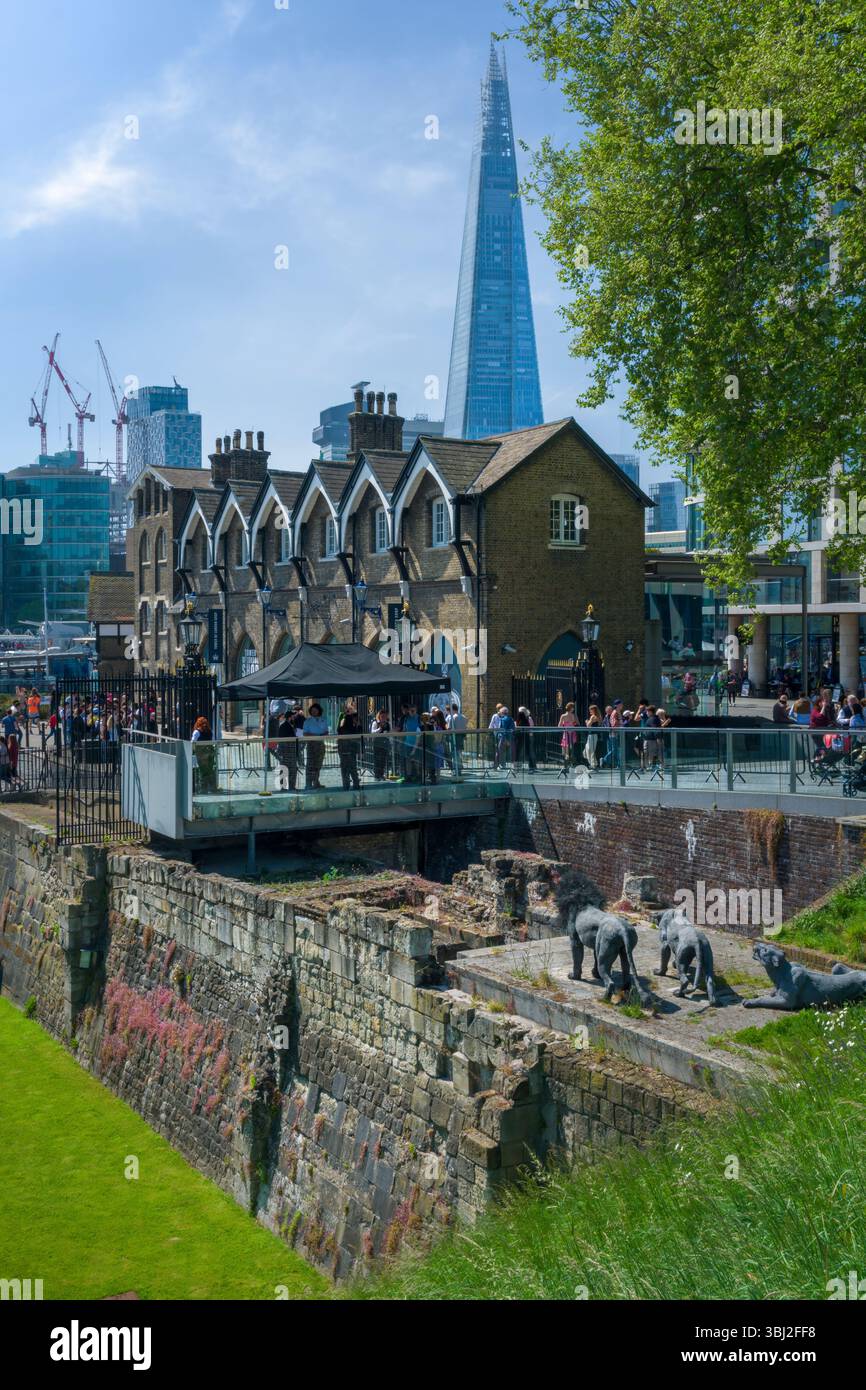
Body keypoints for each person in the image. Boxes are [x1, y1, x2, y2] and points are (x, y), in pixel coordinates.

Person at [337, 699, 362, 790]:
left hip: (350, 746)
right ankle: (350, 784)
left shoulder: (356, 718)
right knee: (348, 766)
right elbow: (340, 730)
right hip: (345, 746)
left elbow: (359, 731)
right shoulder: (344, 717)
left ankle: (351, 784)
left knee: (350, 766)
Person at [303, 702, 329, 789]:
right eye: (312, 710)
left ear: (319, 711)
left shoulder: (323, 720)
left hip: (320, 744)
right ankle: (308, 783)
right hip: (311, 744)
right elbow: (305, 734)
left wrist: (319, 736)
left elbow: (326, 732)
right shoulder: (307, 721)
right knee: (310, 764)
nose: (314, 712)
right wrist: (317, 736)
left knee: (318, 764)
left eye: (315, 710)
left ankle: (316, 782)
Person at [191, 716, 218, 794]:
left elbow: (192, 743)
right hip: (210, 753)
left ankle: (203, 789)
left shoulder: (196, 732)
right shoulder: (210, 731)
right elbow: (212, 742)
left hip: (201, 754)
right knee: (210, 770)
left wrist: (193, 752)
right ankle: (213, 788)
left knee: (202, 771)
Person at [369, 708, 391, 782]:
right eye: (382, 716)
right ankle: (377, 775)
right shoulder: (375, 723)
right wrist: (380, 729)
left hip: (385, 743)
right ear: (379, 716)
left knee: (383, 760)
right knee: (377, 760)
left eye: (385, 716)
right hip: (377, 744)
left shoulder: (388, 724)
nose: (384, 718)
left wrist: (388, 735)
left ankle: (381, 774)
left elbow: (390, 733)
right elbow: (372, 733)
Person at [447, 702, 467, 777]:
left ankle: (456, 770)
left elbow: (449, 728)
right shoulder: (464, 717)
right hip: (461, 737)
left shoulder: (453, 717)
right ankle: (459, 769)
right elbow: (465, 728)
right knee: (459, 753)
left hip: (454, 737)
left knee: (454, 754)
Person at [558, 701, 579, 768]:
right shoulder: (573, 715)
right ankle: (571, 764)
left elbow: (559, 726)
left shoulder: (563, 716)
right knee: (571, 749)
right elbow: (577, 724)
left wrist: (564, 725)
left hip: (566, 733)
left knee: (565, 750)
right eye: (573, 707)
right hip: (572, 734)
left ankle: (566, 765)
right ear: (571, 708)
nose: (573, 709)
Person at [514, 705, 536, 771]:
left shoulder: (528, 718)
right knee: (520, 751)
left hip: (526, 736)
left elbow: (531, 727)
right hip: (523, 736)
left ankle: (531, 766)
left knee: (528, 751)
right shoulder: (522, 719)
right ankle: (518, 766)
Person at [584, 704, 602, 769]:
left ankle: (593, 765)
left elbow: (588, 725)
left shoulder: (593, 716)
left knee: (590, 750)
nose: (589, 711)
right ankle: (594, 763)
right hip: (593, 735)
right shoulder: (598, 716)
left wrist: (586, 722)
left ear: (594, 710)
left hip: (592, 735)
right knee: (588, 750)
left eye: (590, 710)